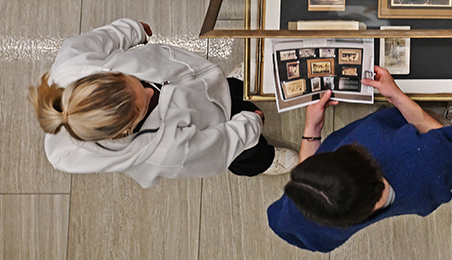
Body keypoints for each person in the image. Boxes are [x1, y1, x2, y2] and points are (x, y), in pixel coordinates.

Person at [31, 18, 297, 187]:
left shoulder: (74, 66)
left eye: (135, 81)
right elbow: (217, 148)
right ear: (125, 132)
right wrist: (249, 125)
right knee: (243, 152)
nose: (151, 92)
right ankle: (263, 160)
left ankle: (232, 86)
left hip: (200, 83)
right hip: (213, 123)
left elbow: (97, 40)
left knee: (227, 89)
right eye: (144, 106)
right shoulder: (165, 153)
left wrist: (131, 30)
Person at [268, 66, 452, 251]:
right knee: (438, 128)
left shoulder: (305, 219)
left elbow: (303, 199)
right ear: (365, 160)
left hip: (395, 148)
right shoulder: (422, 162)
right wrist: (396, 96)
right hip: (432, 152)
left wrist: (311, 129)